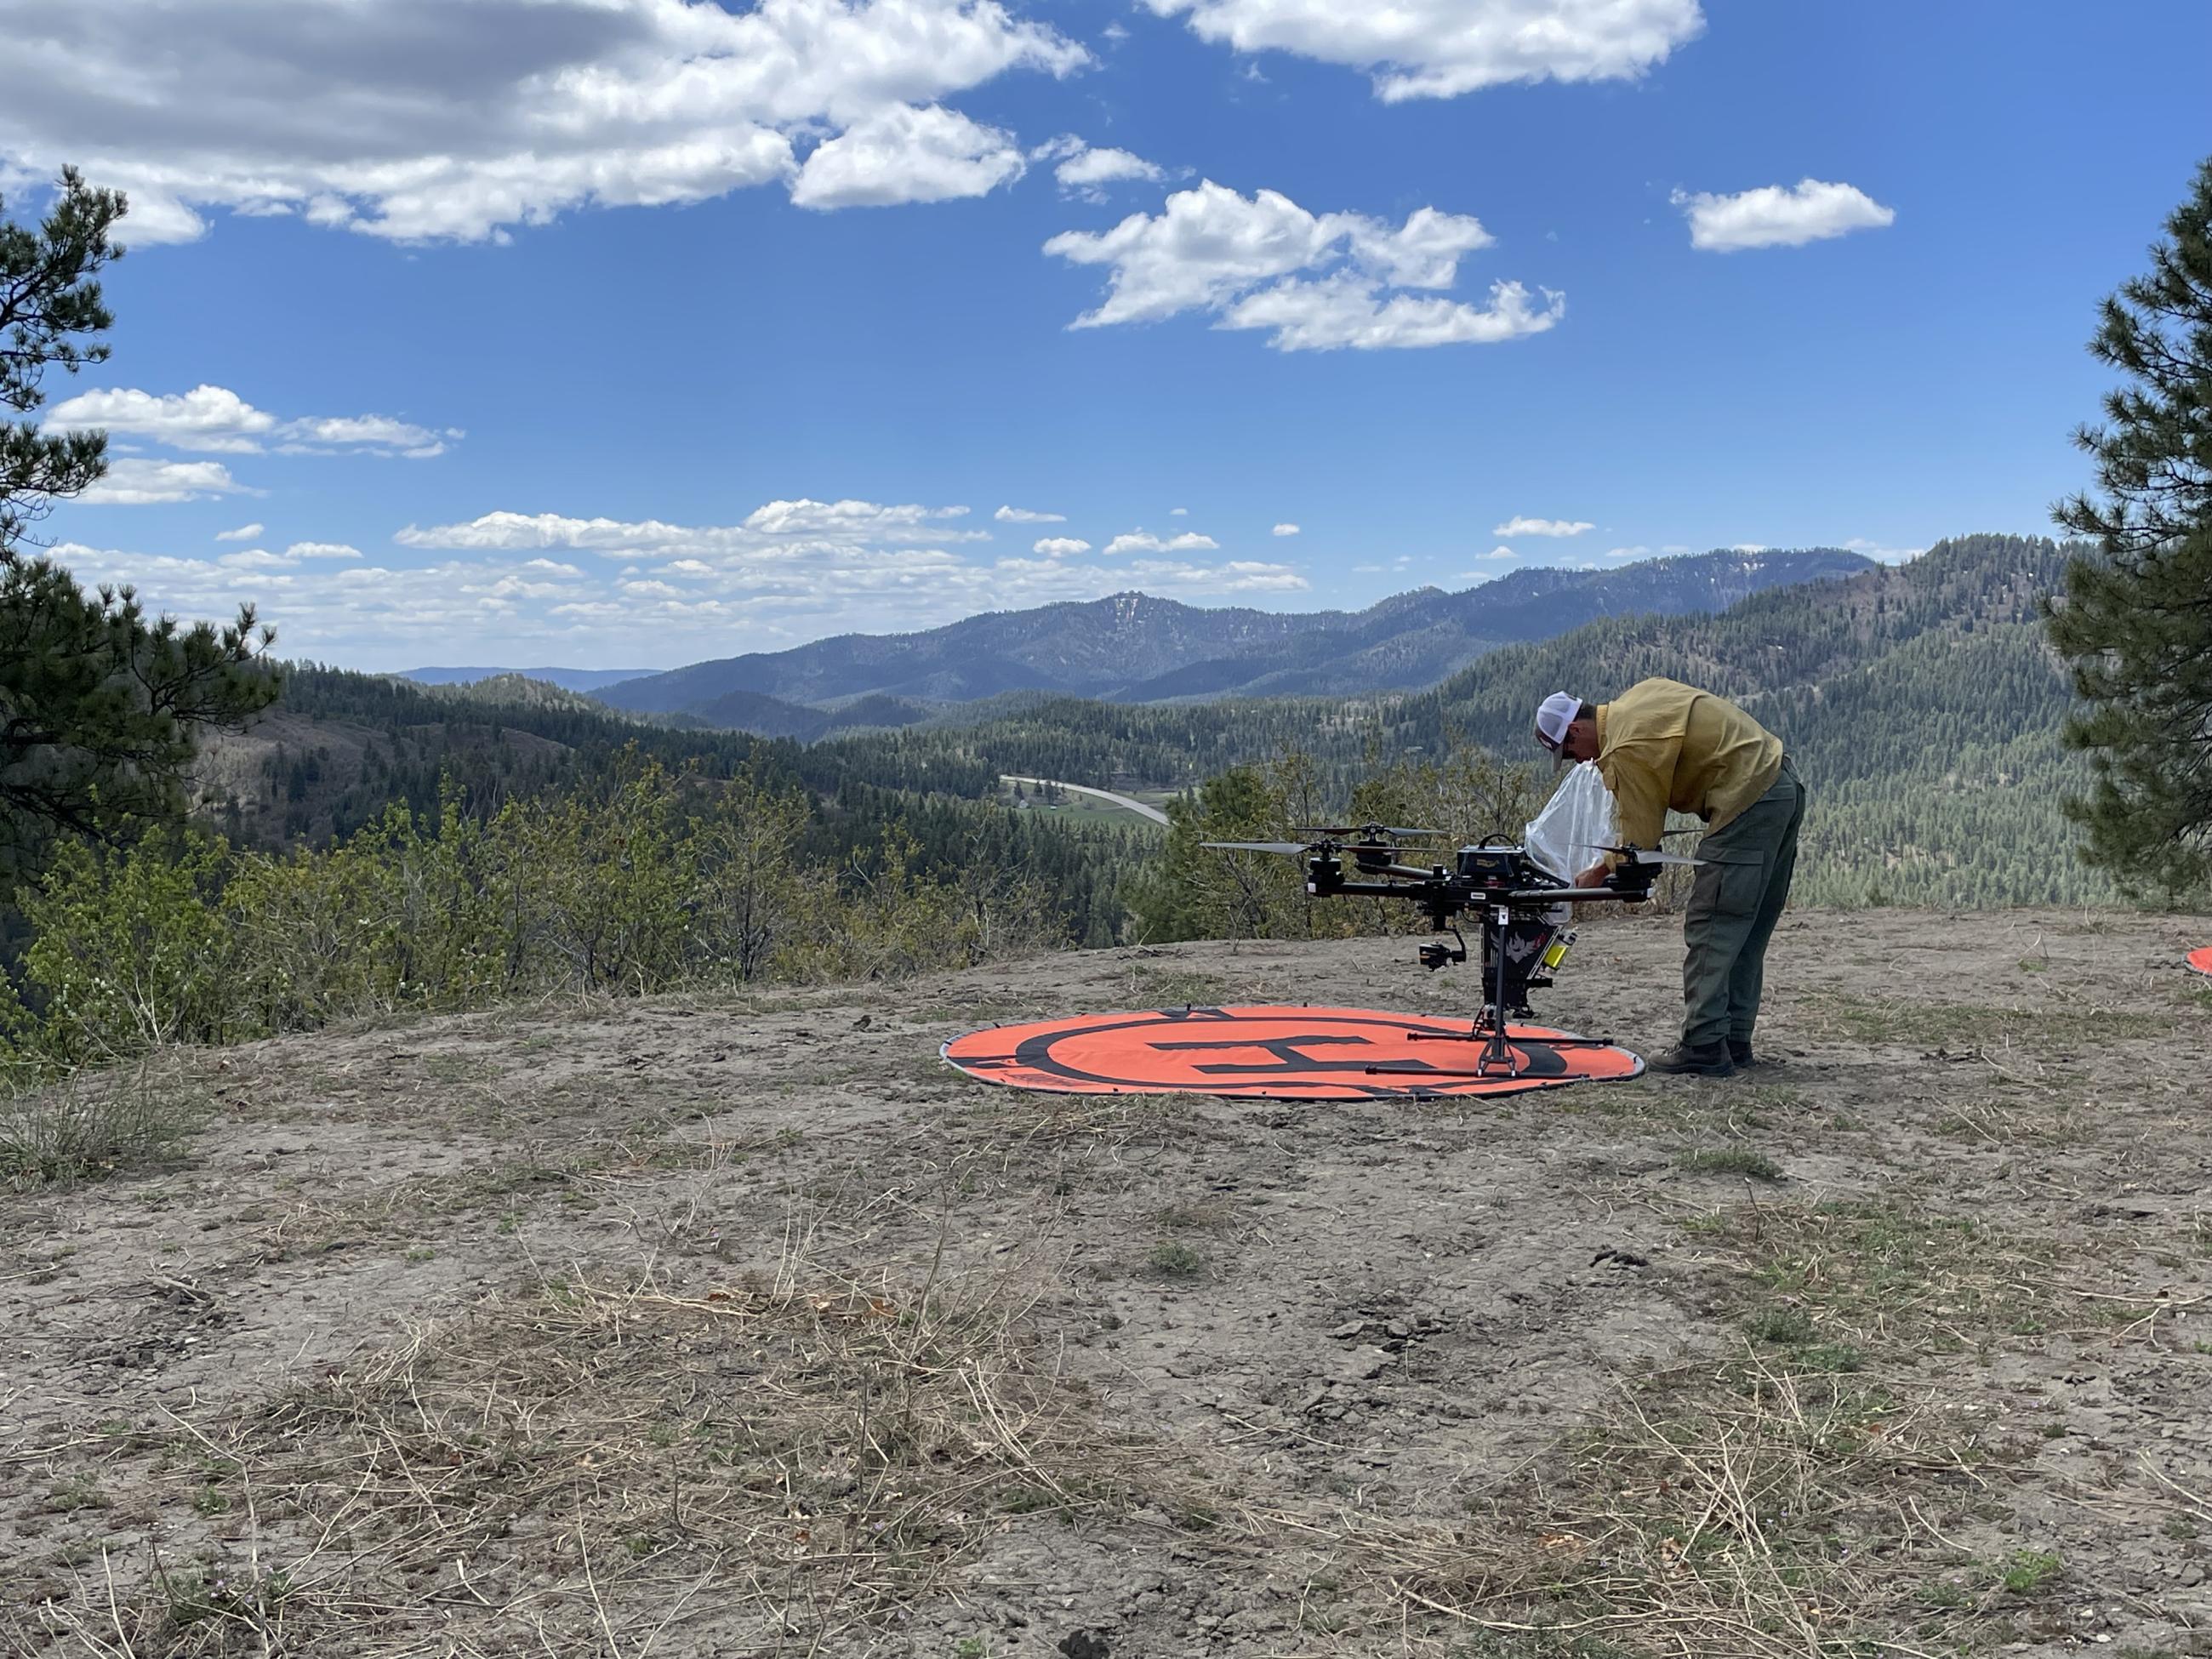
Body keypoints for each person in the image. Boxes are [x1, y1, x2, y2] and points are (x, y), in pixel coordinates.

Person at [1532, 681, 1807, 1077]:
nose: (1579, 761)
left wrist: (1596, 874)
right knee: (1746, 926)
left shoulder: (1625, 745)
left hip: (1747, 796)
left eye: (1570, 752)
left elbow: (1640, 837)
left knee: (1712, 923)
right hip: (1781, 784)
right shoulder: (1640, 698)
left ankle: (1704, 1043)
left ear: (1576, 729)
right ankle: (1734, 1039)